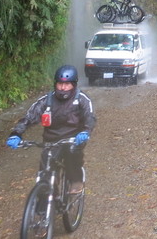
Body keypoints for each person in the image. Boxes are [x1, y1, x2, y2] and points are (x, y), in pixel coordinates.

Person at [6, 65, 96, 193]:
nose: (63, 88)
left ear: (74, 85)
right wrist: (16, 133)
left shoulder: (82, 99)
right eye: (60, 84)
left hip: (74, 139)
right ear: (55, 83)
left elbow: (89, 117)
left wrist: (86, 131)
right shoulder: (46, 100)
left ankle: (76, 180)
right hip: (51, 140)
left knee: (71, 155)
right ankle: (45, 204)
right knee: (45, 172)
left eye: (67, 84)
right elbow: (29, 117)